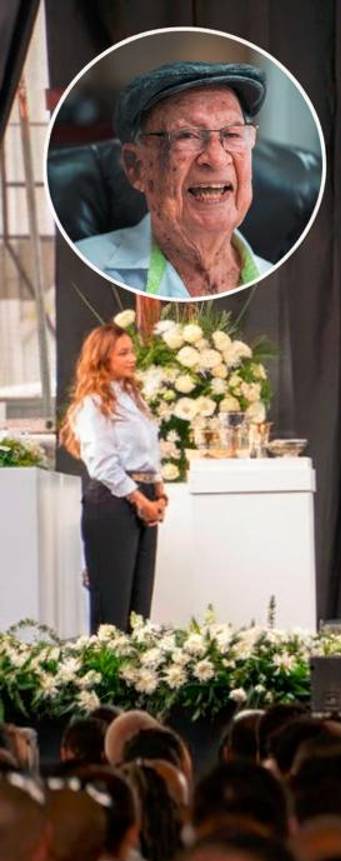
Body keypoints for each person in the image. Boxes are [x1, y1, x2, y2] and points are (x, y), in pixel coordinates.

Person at [75, 61, 273, 298]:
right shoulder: (84, 268)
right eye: (187, 135)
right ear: (136, 167)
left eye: (232, 134)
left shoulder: (278, 282)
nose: (217, 158)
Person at [59, 324, 166, 633]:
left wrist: (158, 492)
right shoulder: (92, 403)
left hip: (143, 494)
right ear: (102, 358)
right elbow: (103, 464)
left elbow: (149, 450)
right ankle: (106, 676)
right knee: (112, 605)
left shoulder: (133, 399)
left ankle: (136, 676)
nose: (132, 358)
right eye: (123, 353)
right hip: (112, 499)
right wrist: (139, 499)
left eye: (131, 351)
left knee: (139, 604)